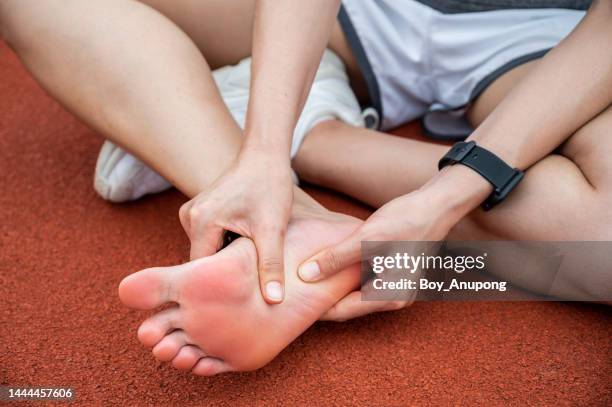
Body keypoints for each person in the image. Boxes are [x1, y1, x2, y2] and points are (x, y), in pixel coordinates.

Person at [2, 0, 611, 375]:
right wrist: (262, 152)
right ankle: (292, 216)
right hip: (357, 10)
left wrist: (445, 197)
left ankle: (311, 135)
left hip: (550, 37)